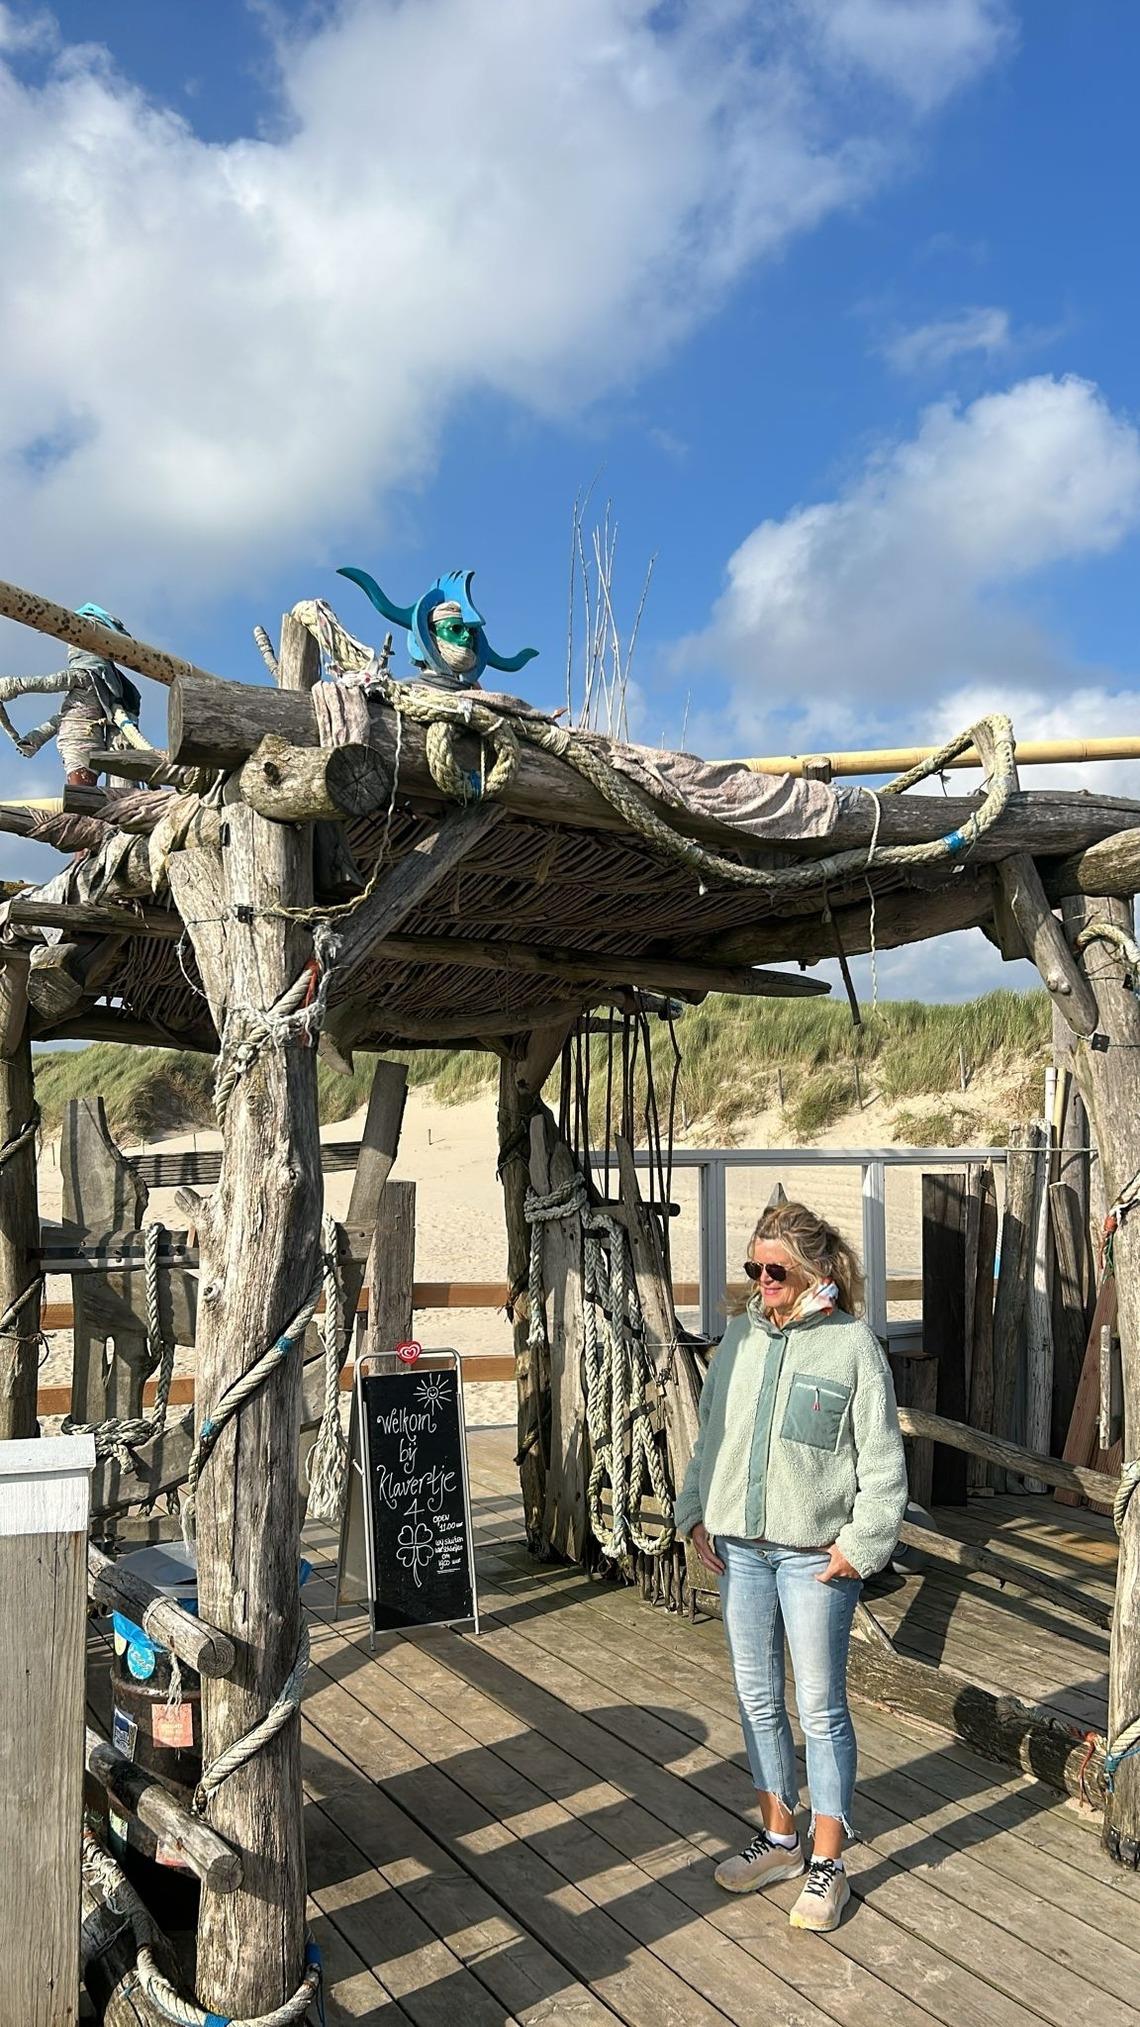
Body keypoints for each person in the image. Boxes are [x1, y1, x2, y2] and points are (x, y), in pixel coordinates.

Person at [673, 1199, 907, 1933]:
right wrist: (693, 1511)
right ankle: (779, 1839)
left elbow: (884, 1465)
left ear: (813, 1269)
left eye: (774, 1270)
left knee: (822, 1706)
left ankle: (828, 1862)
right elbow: (710, 1438)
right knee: (755, 1697)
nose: (761, 1281)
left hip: (816, 1560)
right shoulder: (738, 1340)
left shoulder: (853, 1346)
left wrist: (861, 1545)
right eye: (753, 1268)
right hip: (739, 1550)